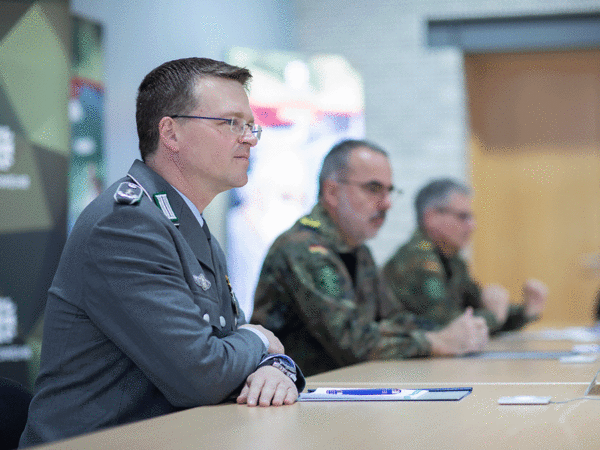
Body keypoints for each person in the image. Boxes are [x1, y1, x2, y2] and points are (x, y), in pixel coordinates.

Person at [19, 57, 304, 447]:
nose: (250, 138)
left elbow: (226, 342)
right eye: (231, 123)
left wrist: (275, 366)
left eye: (250, 125)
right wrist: (257, 340)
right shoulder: (126, 226)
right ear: (170, 133)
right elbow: (202, 375)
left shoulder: (187, 223)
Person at [251, 140, 489, 377]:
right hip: (292, 398)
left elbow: (395, 319)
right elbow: (353, 343)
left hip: (345, 390)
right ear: (332, 192)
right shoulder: (304, 248)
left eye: (389, 191)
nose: (387, 203)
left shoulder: (357, 249)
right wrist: (435, 341)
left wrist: (452, 332)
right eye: (374, 189)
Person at [382, 178, 547, 333]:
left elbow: (475, 308)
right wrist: (494, 316)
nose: (472, 226)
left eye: (471, 217)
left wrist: (524, 312)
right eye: (463, 217)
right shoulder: (417, 260)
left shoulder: (452, 260)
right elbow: (447, 325)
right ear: (431, 218)